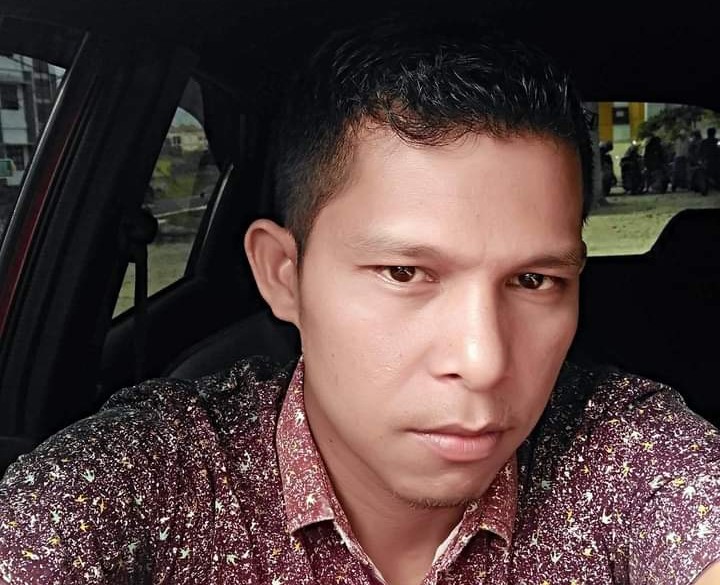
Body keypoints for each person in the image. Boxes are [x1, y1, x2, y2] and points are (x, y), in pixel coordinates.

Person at [1, 19, 719, 585]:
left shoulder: (621, 451)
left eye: (534, 281)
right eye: (405, 272)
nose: (484, 361)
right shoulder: (153, 474)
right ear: (284, 275)